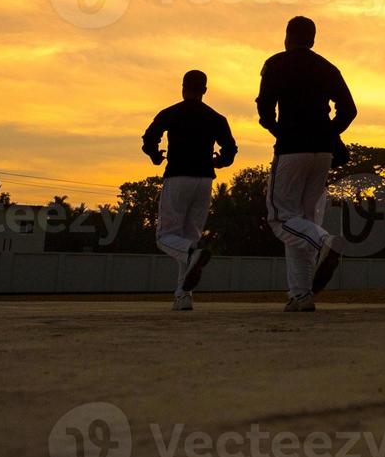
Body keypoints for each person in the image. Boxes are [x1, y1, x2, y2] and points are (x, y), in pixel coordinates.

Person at [257, 16, 358, 312]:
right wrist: (329, 132)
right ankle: (301, 294)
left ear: (287, 36)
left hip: (291, 149)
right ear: (313, 40)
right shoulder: (327, 67)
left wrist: (278, 129)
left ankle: (324, 242)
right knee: (301, 221)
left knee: (281, 218)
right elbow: (349, 109)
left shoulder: (276, 64)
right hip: (322, 152)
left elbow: (264, 108)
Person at [143, 69, 238, 312]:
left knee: (166, 238)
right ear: (205, 90)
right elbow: (230, 148)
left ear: (183, 86)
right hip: (205, 180)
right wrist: (219, 161)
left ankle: (192, 257)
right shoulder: (215, 118)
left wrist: (155, 155)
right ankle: (183, 296)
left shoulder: (172, 112)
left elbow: (150, 136)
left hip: (178, 176)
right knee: (188, 238)